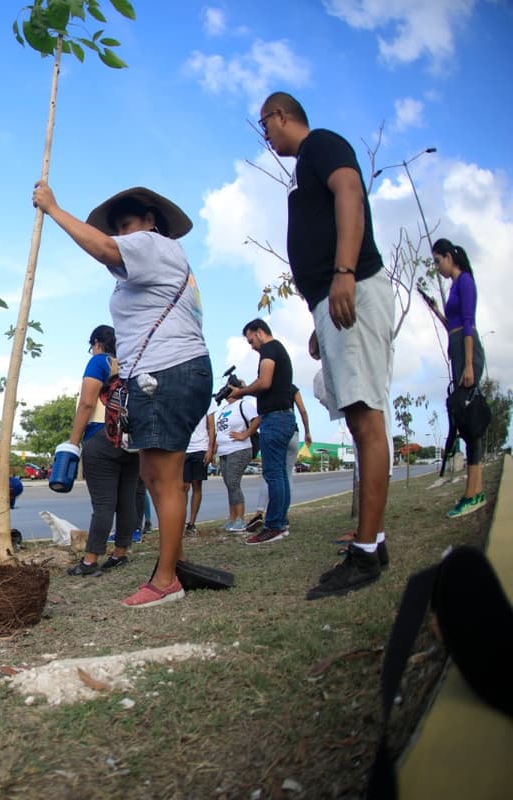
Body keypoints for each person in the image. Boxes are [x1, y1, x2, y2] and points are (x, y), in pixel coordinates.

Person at [33, 182, 212, 608]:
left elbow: (104, 250)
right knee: (154, 476)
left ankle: (166, 579)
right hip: (162, 373)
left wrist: (54, 209)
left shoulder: (153, 245)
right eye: (117, 228)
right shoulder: (156, 261)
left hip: (166, 372)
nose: (121, 234)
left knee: (164, 479)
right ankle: (175, 560)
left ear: (151, 222)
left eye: (126, 225)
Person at [259, 91, 393, 600]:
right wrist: (322, 311)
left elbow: (350, 192)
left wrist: (343, 274)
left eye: (264, 124)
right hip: (335, 300)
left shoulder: (321, 145)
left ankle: (365, 554)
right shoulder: (304, 166)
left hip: (353, 284)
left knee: (365, 417)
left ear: (281, 115)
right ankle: (372, 541)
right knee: (359, 419)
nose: (266, 136)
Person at [63, 325, 141, 577]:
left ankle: (90, 560)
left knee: (104, 503)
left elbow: (87, 403)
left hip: (101, 435)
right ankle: (120, 553)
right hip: (131, 440)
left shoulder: (100, 361)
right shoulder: (129, 364)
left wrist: (73, 442)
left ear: (97, 342)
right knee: (127, 499)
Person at [426, 238, 488, 518]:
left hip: (467, 354)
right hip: (458, 352)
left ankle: (473, 494)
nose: (437, 266)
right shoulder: (453, 287)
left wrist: (469, 367)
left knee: (469, 420)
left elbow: (468, 324)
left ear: (450, 256)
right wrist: (436, 310)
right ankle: (475, 491)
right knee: (464, 421)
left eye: (438, 260)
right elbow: (452, 325)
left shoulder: (465, 282)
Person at [230, 319, 296, 545]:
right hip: (284, 416)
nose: (252, 346)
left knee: (273, 474)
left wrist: (241, 392)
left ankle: (274, 526)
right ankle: (281, 523)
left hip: (275, 418)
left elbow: (265, 382)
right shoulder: (279, 349)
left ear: (260, 332)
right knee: (280, 474)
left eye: (251, 340)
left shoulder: (270, 348)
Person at [248, 386, 313, 530]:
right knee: (286, 475)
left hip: (274, 428)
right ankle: (283, 515)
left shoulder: (266, 387)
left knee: (271, 473)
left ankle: (260, 512)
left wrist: (247, 434)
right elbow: (302, 410)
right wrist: (307, 432)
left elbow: (260, 416)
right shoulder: (292, 388)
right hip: (293, 432)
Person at [215, 396, 259, 532]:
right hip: (224, 451)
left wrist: (245, 434)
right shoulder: (224, 408)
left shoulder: (243, 404)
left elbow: (257, 419)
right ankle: (232, 518)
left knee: (233, 483)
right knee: (229, 484)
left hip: (239, 449)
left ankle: (240, 519)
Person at [182, 402, 217, 536]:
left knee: (197, 485)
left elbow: (212, 427)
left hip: (200, 448)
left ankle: (191, 523)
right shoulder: (181, 398)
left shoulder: (208, 400)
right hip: (184, 449)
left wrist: (210, 450)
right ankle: (181, 520)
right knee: (183, 486)